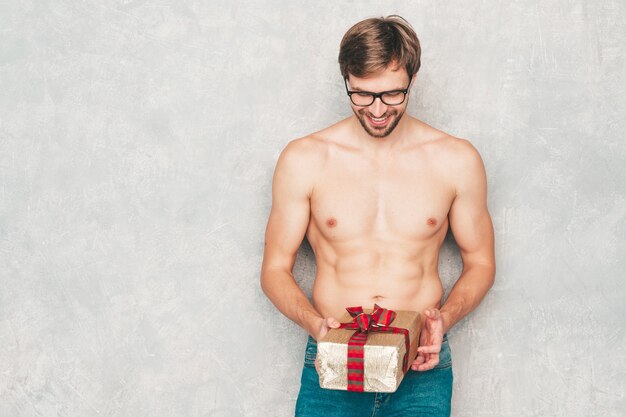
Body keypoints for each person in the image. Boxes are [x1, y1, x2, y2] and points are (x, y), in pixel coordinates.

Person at [260, 15, 495, 417]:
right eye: (363, 95)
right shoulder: (305, 159)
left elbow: (481, 262)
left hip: (421, 362)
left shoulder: (456, 160)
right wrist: (315, 325)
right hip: (332, 360)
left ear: (412, 80)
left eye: (392, 95)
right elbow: (274, 269)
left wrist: (445, 320)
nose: (378, 110)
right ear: (346, 80)